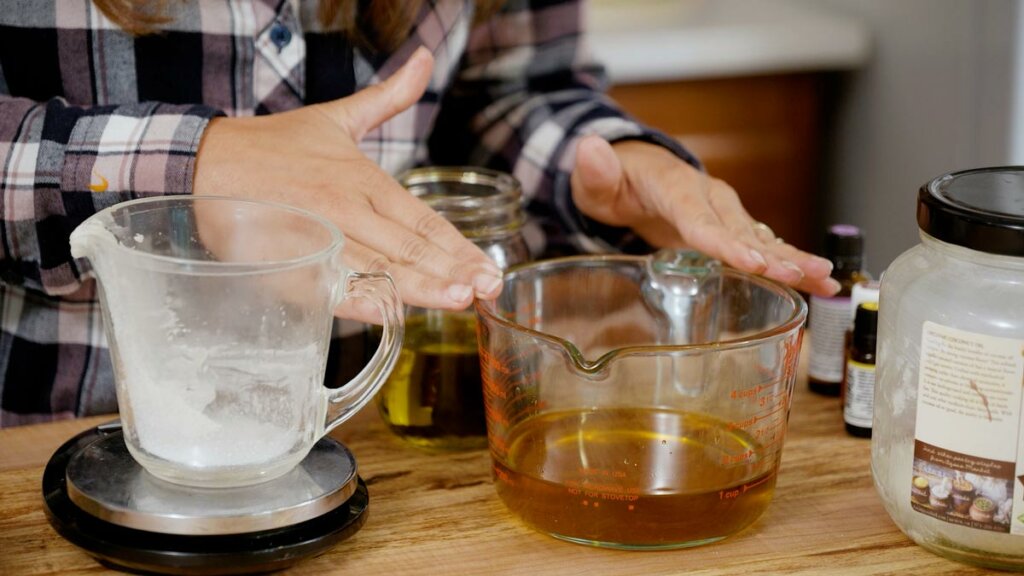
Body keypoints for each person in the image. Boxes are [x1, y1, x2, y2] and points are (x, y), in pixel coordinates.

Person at [0, 0, 837, 427]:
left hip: (371, 450)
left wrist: (616, 168)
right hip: (42, 437)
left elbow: (510, 87)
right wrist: (199, 166)